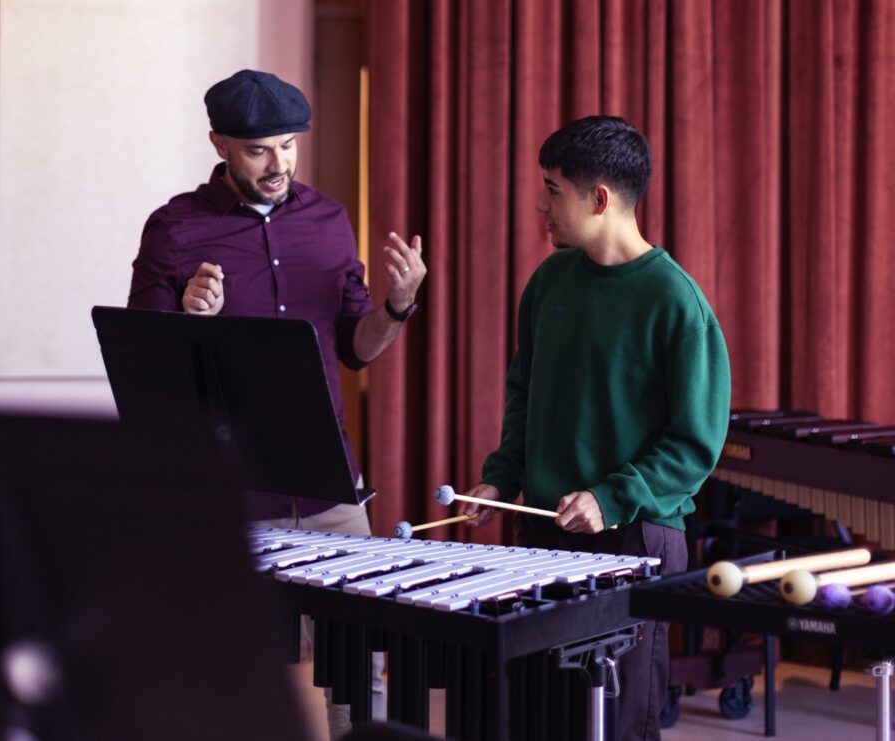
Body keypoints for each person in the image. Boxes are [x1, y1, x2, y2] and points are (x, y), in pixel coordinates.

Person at [128, 69, 426, 738]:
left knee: (360, 656)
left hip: (327, 477)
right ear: (221, 144)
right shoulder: (174, 229)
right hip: (226, 488)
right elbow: (145, 369)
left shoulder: (329, 220)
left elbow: (357, 346)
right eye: (260, 148)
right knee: (220, 664)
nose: (279, 163)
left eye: (289, 145)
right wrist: (188, 316)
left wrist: (399, 306)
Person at [459, 115, 730, 741]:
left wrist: (610, 498)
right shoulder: (549, 281)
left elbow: (695, 444)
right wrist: (501, 479)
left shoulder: (675, 302)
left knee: (614, 724)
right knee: (539, 717)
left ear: (599, 199)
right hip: (548, 532)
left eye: (553, 189)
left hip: (635, 539)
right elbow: (525, 395)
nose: (539, 204)